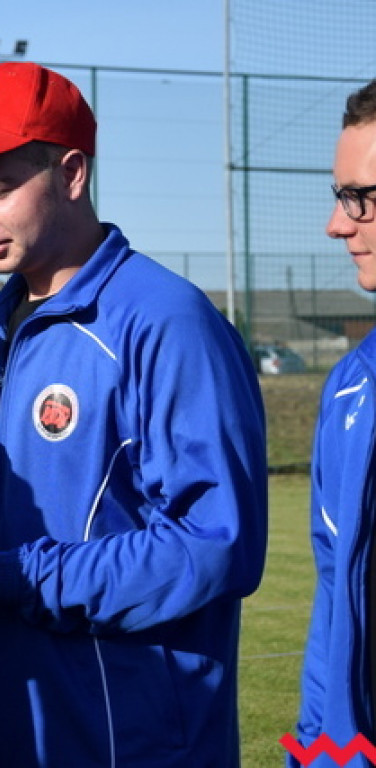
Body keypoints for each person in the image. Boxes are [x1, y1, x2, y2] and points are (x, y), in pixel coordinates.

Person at [0, 61, 268, 766]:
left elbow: (214, 545)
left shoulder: (167, 324)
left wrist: (8, 576)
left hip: (117, 740)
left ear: (73, 174)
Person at [290, 78, 376, 765]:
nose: (338, 224)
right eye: (338, 196)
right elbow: (333, 607)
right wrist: (319, 752)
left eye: (362, 198)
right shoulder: (351, 386)